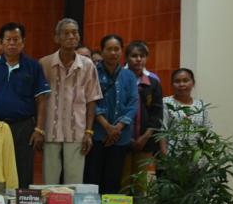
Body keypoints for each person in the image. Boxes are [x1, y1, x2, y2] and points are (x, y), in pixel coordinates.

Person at [0, 22, 49, 189]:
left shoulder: (33, 66)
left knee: (22, 169)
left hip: (24, 126)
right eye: (8, 39)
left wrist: (39, 129)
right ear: (0, 43)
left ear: (23, 42)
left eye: (16, 39)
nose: (12, 43)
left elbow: (42, 99)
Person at [39, 18, 101, 185]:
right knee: (49, 182)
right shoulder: (44, 64)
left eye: (74, 32)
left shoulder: (88, 65)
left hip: (77, 131)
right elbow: (40, 99)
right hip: (50, 130)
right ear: (56, 38)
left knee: (74, 183)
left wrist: (89, 132)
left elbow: (92, 100)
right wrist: (38, 128)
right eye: (66, 33)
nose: (71, 36)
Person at [84, 34, 138, 194]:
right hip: (97, 134)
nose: (113, 53)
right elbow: (89, 100)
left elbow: (133, 103)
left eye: (116, 49)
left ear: (121, 51)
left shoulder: (129, 75)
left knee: (113, 180)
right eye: (109, 49)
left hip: (120, 137)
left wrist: (117, 128)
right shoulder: (93, 72)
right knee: (92, 178)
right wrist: (107, 127)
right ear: (102, 51)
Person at [122, 40, 164, 189]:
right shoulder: (120, 80)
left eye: (142, 56)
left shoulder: (153, 83)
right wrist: (128, 137)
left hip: (145, 141)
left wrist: (145, 137)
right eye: (134, 56)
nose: (138, 59)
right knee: (123, 183)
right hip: (121, 140)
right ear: (126, 58)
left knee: (141, 184)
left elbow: (157, 113)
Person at [162, 68, 211, 153]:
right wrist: (165, 155)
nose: (181, 84)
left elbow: (207, 130)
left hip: (196, 154)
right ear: (172, 84)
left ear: (193, 83)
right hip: (173, 154)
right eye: (177, 81)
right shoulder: (166, 103)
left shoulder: (201, 105)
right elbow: (162, 131)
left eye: (185, 80)